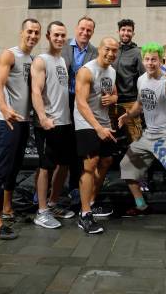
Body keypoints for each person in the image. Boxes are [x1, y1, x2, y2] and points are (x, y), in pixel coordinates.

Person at [119, 42, 166, 244]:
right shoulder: (141, 80)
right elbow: (139, 104)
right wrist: (128, 115)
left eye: (154, 59)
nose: (150, 63)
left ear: (161, 60)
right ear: (143, 60)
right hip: (148, 135)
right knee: (126, 166)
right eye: (147, 59)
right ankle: (141, 205)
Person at [0, 18, 41, 240]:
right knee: (0, 168)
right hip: (6, 120)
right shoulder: (9, 55)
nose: (33, 35)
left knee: (15, 166)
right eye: (29, 31)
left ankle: (7, 209)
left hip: (23, 121)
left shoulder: (33, 58)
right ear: (22, 32)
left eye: (37, 32)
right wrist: (4, 108)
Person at [31, 21, 76, 229]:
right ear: (48, 36)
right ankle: (41, 212)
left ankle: (53, 203)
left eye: (63, 36)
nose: (59, 39)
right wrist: (42, 117)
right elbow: (36, 91)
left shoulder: (62, 61)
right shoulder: (41, 60)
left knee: (64, 164)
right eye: (56, 35)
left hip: (65, 122)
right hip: (48, 123)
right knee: (45, 167)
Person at [74, 37, 120, 234]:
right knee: (90, 163)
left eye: (114, 51)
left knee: (107, 161)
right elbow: (81, 103)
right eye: (107, 49)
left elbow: (115, 93)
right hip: (86, 121)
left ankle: (91, 201)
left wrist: (113, 98)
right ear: (100, 49)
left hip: (103, 121)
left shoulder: (112, 71)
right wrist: (98, 128)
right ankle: (84, 214)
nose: (111, 53)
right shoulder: (87, 71)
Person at [62, 16, 99, 205]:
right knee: (64, 145)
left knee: (79, 146)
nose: (85, 32)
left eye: (89, 30)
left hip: (83, 102)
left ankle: (75, 187)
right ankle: (59, 188)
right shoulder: (63, 47)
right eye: (82, 29)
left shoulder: (95, 52)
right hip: (63, 101)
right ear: (76, 28)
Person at [110, 19, 145, 144]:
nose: (126, 33)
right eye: (123, 30)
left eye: (129, 30)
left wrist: (139, 104)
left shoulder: (137, 53)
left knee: (136, 142)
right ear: (118, 32)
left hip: (130, 103)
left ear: (133, 34)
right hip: (111, 103)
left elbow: (144, 78)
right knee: (112, 141)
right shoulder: (112, 50)